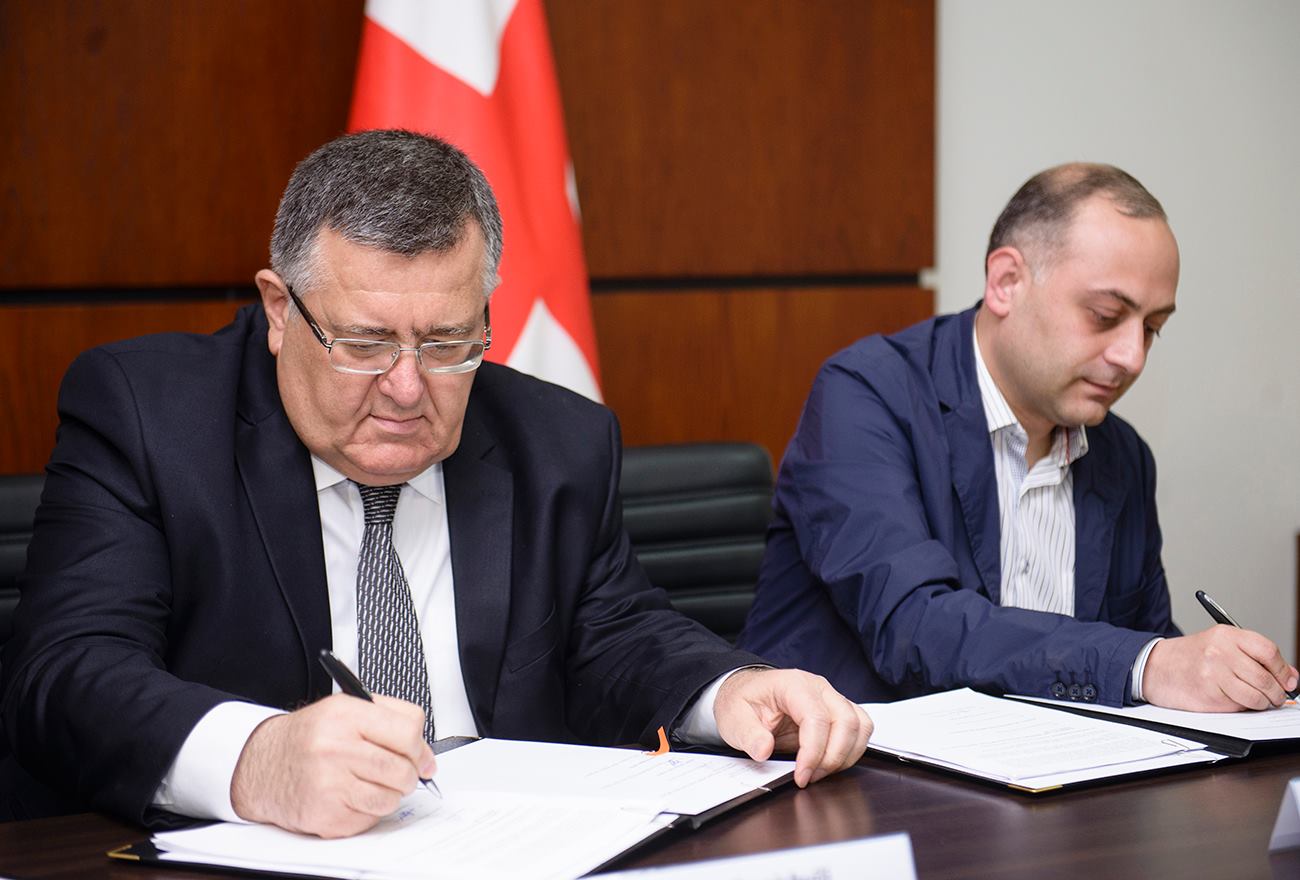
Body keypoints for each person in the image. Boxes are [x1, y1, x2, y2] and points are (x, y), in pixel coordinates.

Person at [0, 130, 870, 836]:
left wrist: (730, 691)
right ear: (279, 310)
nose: (408, 387)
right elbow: (67, 672)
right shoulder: (149, 418)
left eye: (449, 342)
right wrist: (257, 759)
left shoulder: (557, 441)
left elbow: (614, 634)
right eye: (365, 343)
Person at [739, 162, 1297, 712]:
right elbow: (913, 627)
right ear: (1006, 282)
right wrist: (1146, 664)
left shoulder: (1122, 455)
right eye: (1106, 315)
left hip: (1055, 767)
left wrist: (1215, 677)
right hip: (855, 763)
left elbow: (1145, 650)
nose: (1132, 356)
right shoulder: (865, 396)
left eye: (1152, 328)